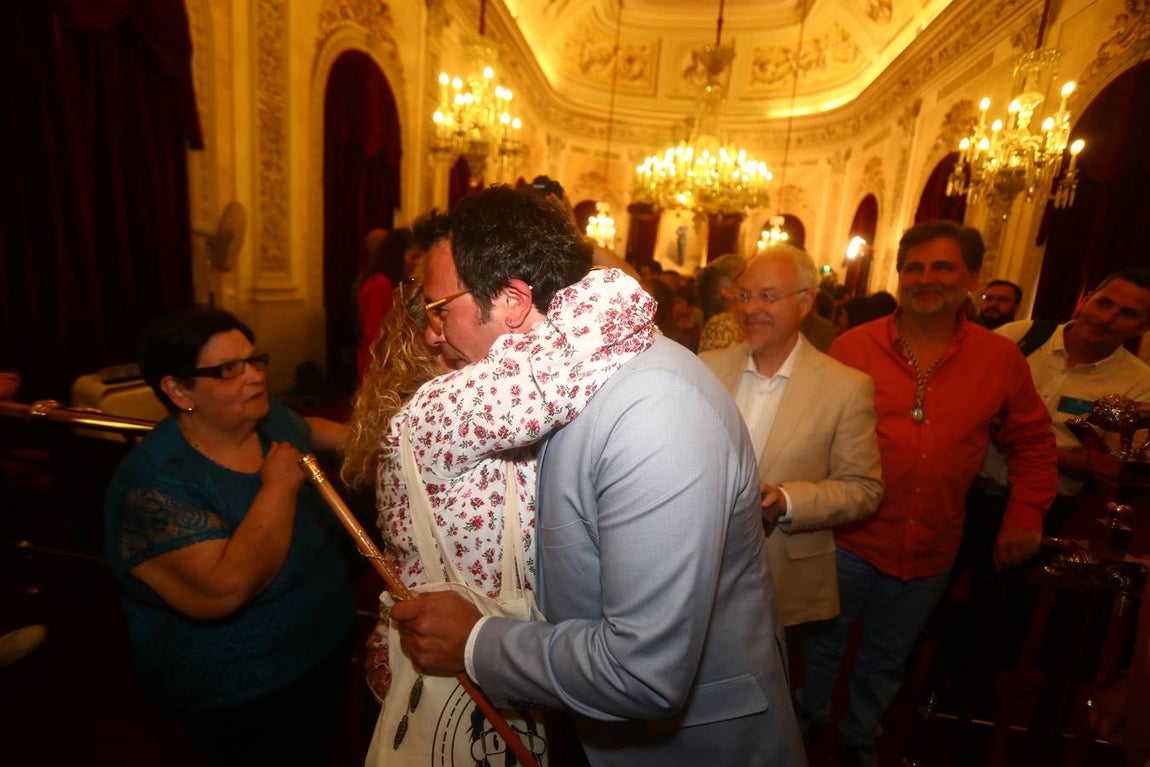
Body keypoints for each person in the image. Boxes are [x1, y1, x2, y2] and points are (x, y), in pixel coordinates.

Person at [390, 185, 806, 766]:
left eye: (439, 310)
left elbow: (644, 672)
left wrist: (473, 641)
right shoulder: (540, 389)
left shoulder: (653, 411)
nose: (432, 334)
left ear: (512, 301)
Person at [798, 220, 1058, 766]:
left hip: (932, 545)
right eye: (913, 267)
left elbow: (1034, 442)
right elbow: (808, 434)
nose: (925, 278)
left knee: (888, 660)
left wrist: (1024, 513)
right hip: (847, 540)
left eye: (942, 267)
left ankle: (859, 744)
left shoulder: (999, 358)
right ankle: (802, 737)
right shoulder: (854, 347)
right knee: (818, 651)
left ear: (971, 276)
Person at [103, 309, 356, 766]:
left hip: (324, 646)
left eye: (255, 360)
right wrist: (278, 485)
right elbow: (225, 588)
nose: (255, 377)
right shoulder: (153, 487)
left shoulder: (263, 416)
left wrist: (376, 442)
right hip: (244, 692)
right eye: (228, 370)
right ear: (179, 390)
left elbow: (305, 428)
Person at [700, 245, 883, 634]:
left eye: (768, 296)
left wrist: (787, 500)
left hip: (782, 579)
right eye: (745, 295)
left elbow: (864, 489)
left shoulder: (845, 388)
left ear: (804, 304)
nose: (751, 309)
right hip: (700, 572)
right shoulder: (706, 369)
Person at [356, 227, 416, 380]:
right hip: (378, 362)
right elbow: (375, 333)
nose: (416, 263)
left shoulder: (387, 281)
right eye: (413, 256)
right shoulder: (380, 284)